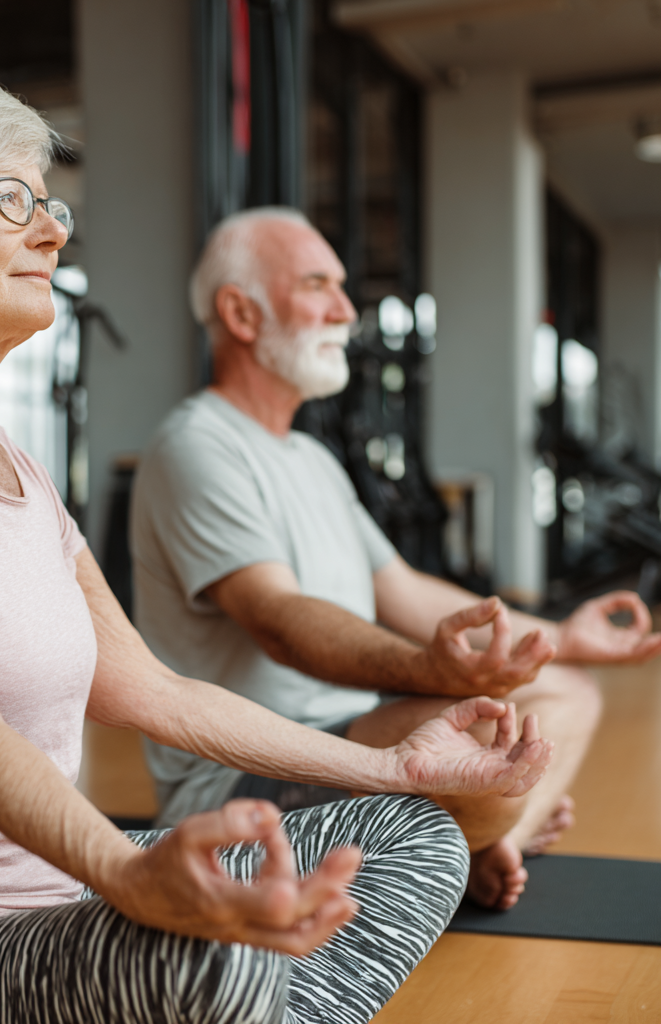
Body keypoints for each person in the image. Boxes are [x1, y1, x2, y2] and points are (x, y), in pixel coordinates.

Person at [0, 79, 553, 1024]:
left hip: (40, 919)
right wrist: (128, 874)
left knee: (420, 836)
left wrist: (399, 768)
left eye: (49, 202)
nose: (51, 232)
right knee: (212, 955)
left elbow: (156, 694)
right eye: (9, 199)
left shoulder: (22, 476)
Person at [131, 206, 661, 913]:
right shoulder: (196, 445)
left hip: (357, 733)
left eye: (343, 288)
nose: (347, 310)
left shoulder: (312, 459)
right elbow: (279, 620)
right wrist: (427, 670)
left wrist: (562, 637)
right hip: (246, 771)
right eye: (319, 284)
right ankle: (482, 836)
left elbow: (402, 588)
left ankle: (485, 844)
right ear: (241, 313)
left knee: (567, 694)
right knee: (484, 748)